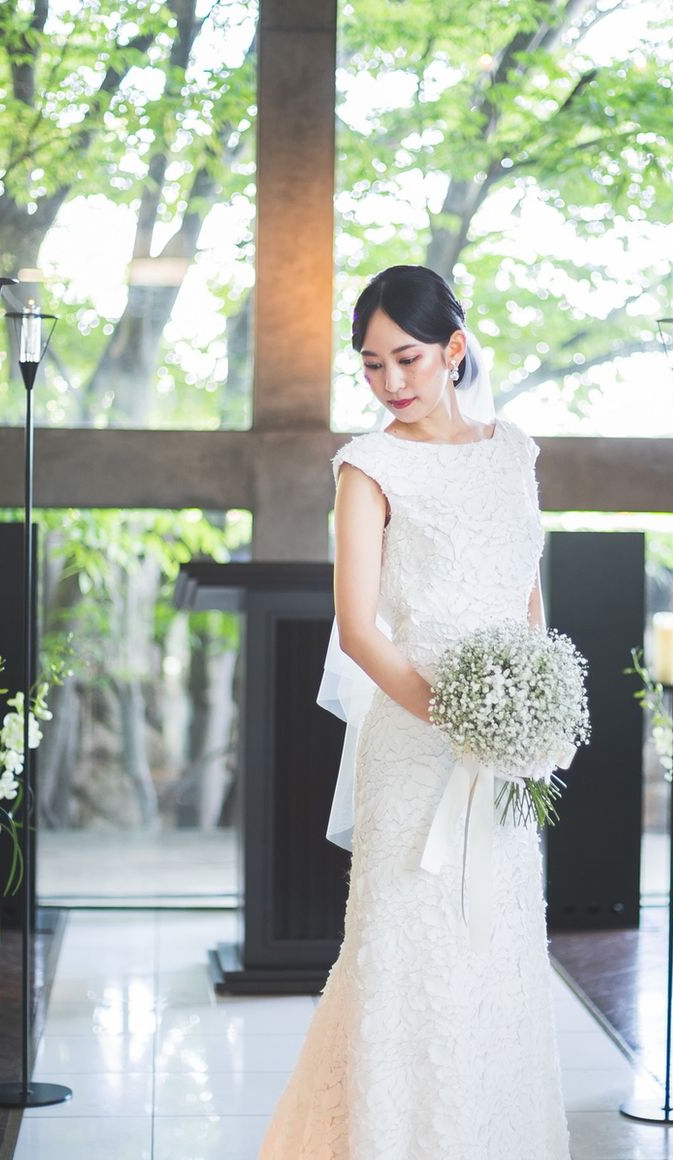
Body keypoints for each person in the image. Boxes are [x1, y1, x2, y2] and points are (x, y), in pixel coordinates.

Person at [258, 265, 570, 1159]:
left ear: (454, 349)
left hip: (506, 752)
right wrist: (459, 717)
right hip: (413, 746)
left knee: (496, 953)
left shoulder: (514, 453)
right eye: (371, 364)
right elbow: (360, 630)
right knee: (408, 957)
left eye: (408, 358)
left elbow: (526, 594)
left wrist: (532, 711)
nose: (390, 381)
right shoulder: (370, 466)